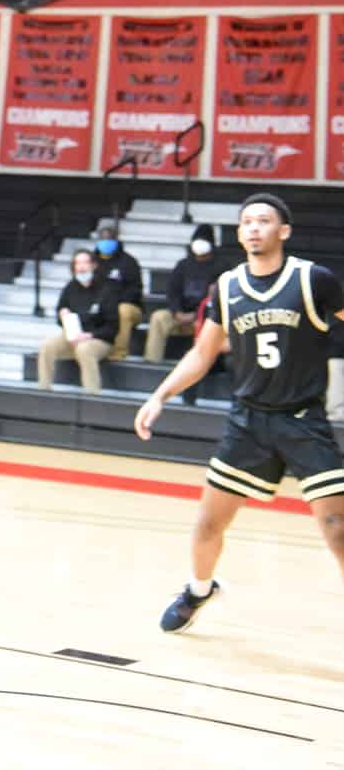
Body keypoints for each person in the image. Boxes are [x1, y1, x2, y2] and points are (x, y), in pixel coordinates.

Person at [135, 193, 344, 633]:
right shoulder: (227, 287)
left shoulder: (314, 280)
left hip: (303, 419)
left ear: (283, 231)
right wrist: (160, 396)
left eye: (263, 221)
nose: (253, 228)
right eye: (246, 221)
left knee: (336, 527)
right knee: (210, 522)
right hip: (248, 421)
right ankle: (198, 589)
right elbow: (202, 353)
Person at [37, 249, 119, 392]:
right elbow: (60, 313)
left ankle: (92, 394)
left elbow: (112, 327)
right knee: (47, 347)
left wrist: (89, 335)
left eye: (85, 262)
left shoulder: (106, 289)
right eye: (77, 263)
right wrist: (62, 315)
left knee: (84, 349)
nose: (81, 267)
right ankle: (43, 389)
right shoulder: (70, 287)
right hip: (73, 336)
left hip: (98, 339)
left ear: (93, 265)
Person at [144, 224, 221, 362]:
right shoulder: (183, 265)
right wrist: (177, 312)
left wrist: (196, 314)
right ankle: (152, 361)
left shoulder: (221, 266)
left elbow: (216, 299)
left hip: (203, 317)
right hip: (180, 315)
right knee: (158, 317)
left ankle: (198, 364)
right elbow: (172, 291)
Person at [94, 222, 143, 358]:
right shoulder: (91, 261)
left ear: (116, 240)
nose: (106, 242)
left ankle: (118, 353)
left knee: (122, 310)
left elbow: (135, 290)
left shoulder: (128, 262)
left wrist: (113, 304)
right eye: (103, 239)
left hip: (127, 306)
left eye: (110, 239)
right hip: (100, 305)